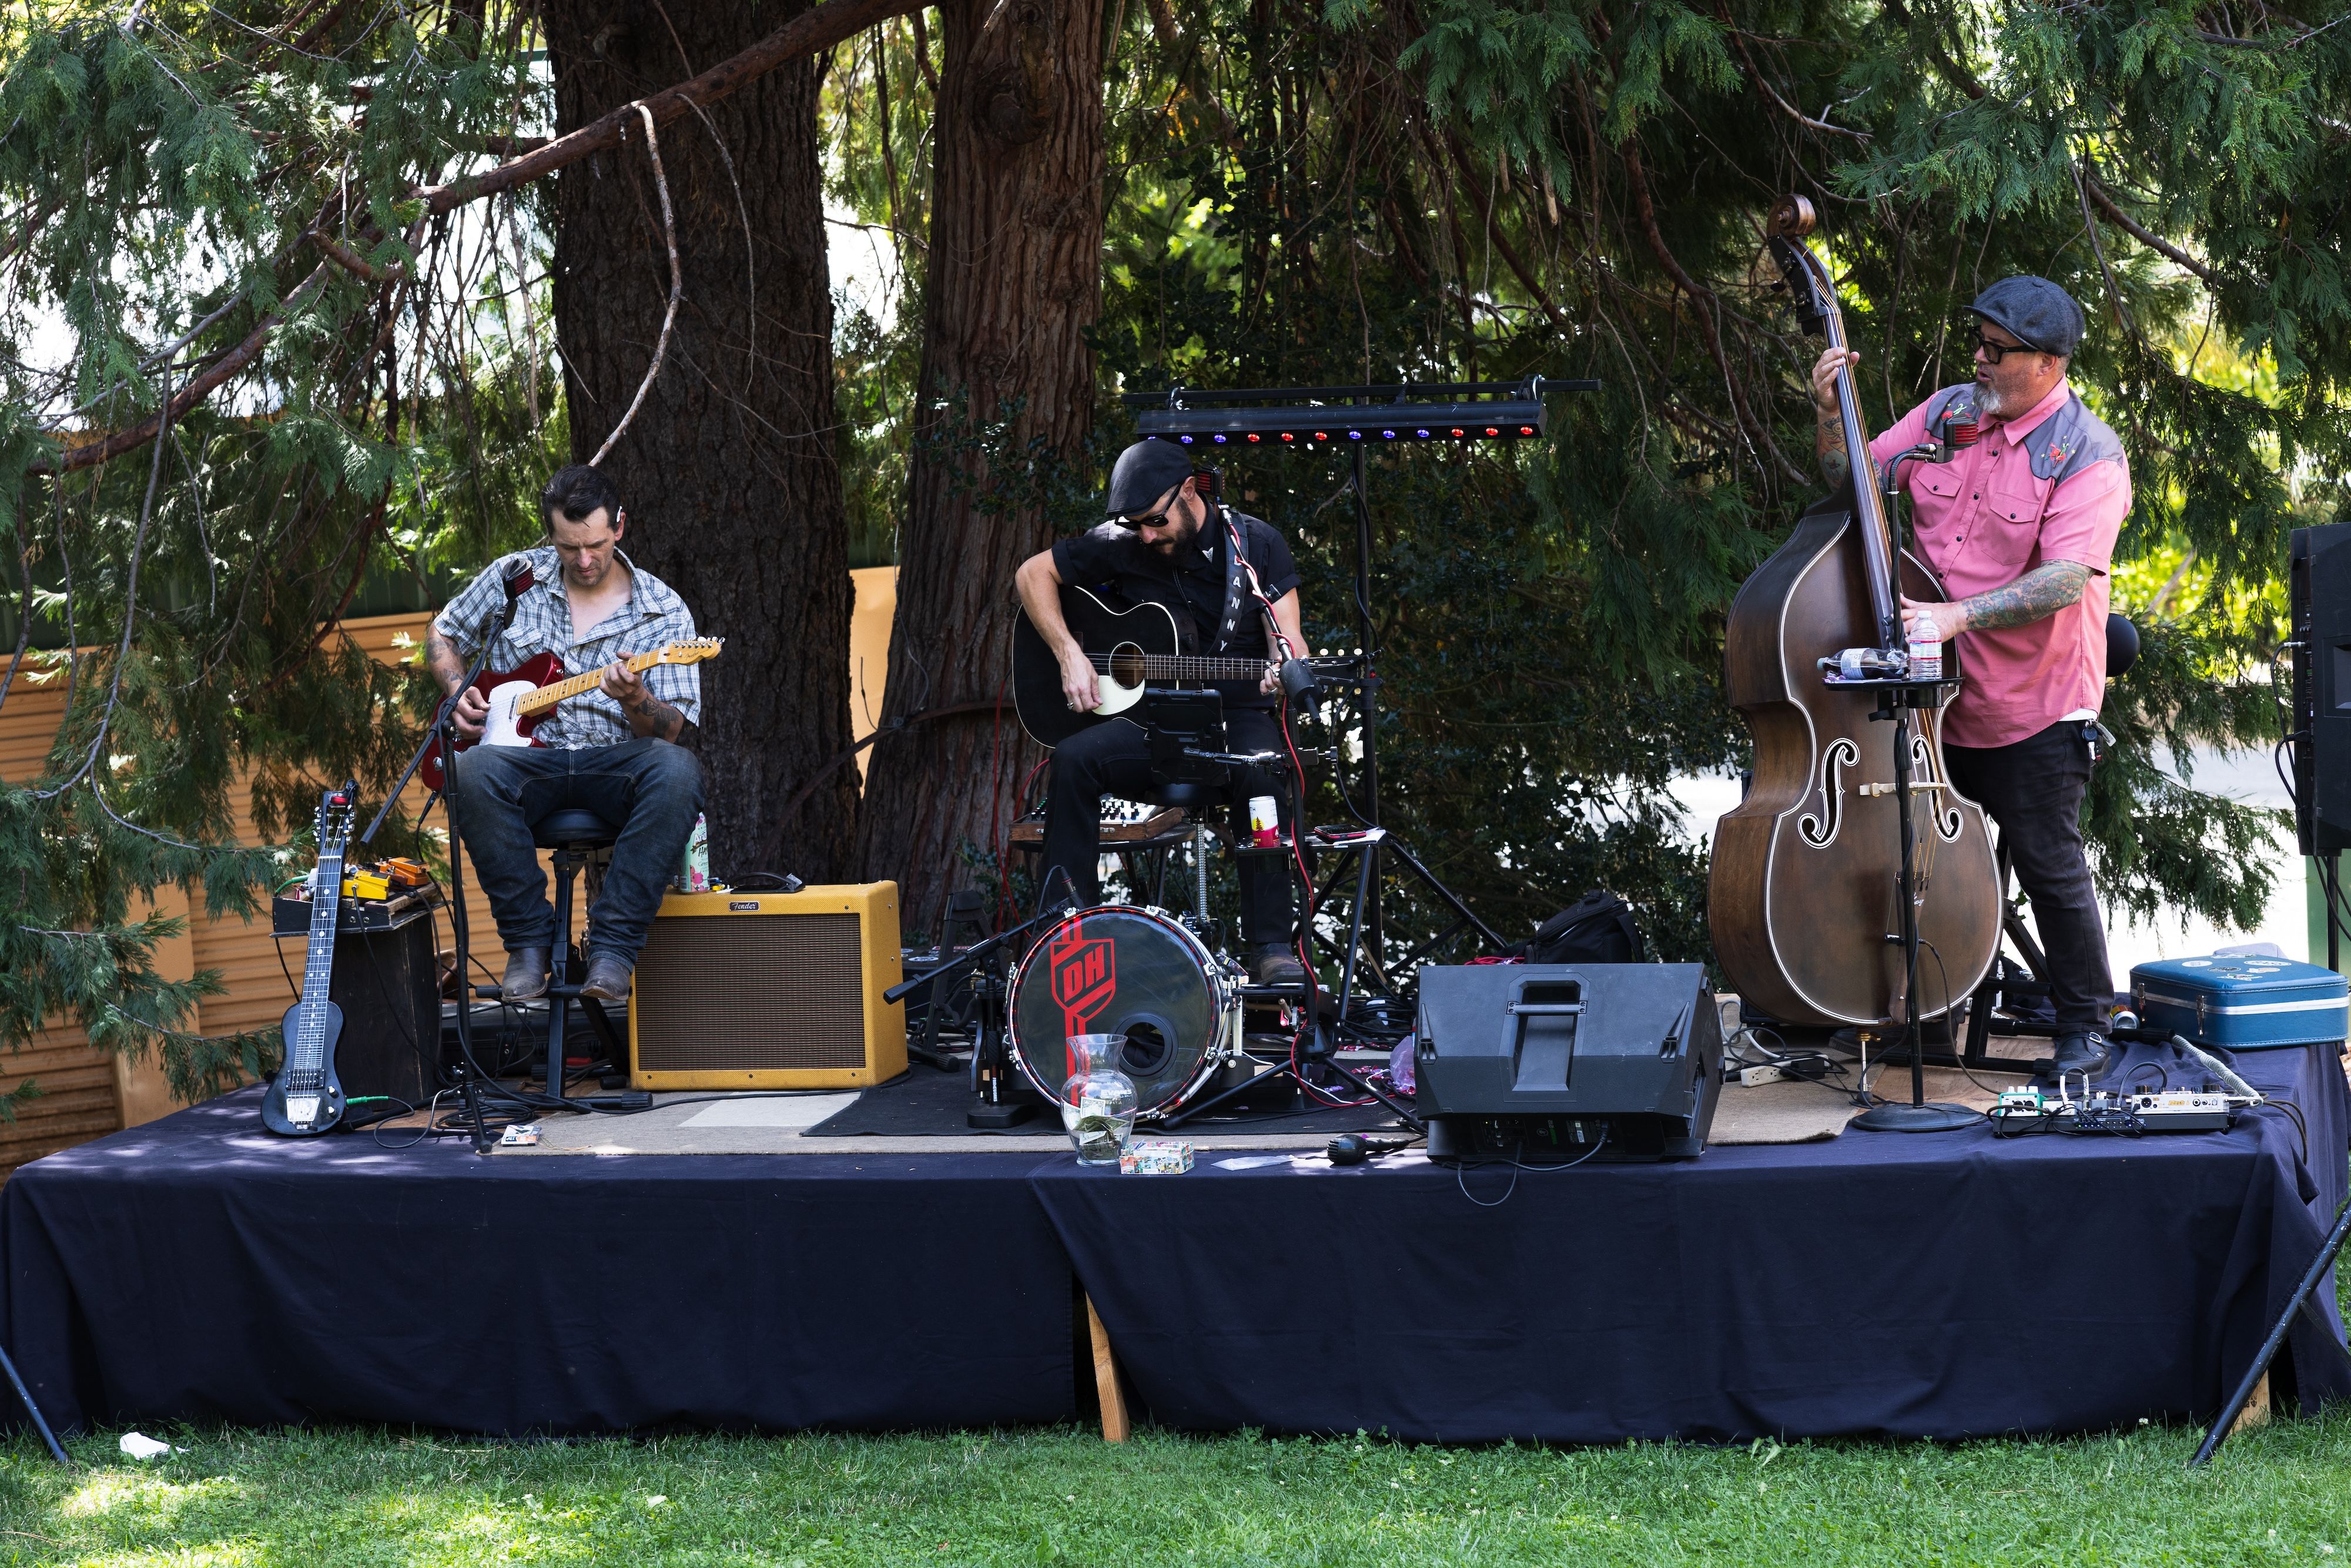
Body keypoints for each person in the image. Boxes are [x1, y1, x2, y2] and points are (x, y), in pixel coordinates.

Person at [1811, 275, 2130, 1081]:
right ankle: (1918, 1021)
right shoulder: (1949, 412)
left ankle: (2085, 1025)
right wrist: (1827, 414)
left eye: (1999, 351)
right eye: (1978, 345)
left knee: (2050, 862)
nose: (1980, 363)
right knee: (1906, 853)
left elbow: (2065, 579)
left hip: (2033, 705)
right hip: (1926, 704)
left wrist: (1958, 616)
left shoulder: (2088, 454)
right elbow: (1848, 479)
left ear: (2050, 364)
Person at [1015, 439, 1310, 986]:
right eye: (1137, 524)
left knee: (1264, 768)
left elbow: (1287, 639)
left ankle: (1270, 946)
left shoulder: (1258, 546)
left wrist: (1283, 667)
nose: (1147, 535)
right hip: (1150, 728)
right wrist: (1070, 656)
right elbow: (1033, 574)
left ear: (1192, 491)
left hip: (1233, 722)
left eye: (1155, 520)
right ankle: (1061, 930)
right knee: (1075, 759)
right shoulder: (1124, 543)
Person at [426, 464, 705, 1006]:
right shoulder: (515, 578)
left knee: (678, 771)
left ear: (619, 526)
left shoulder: (664, 609)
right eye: (568, 546)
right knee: (472, 770)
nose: (583, 560)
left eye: (596, 545)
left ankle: (612, 951)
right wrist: (458, 688)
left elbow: (670, 731)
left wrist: (634, 698)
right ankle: (529, 944)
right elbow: (443, 630)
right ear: (551, 534)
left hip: (614, 764)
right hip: (527, 763)